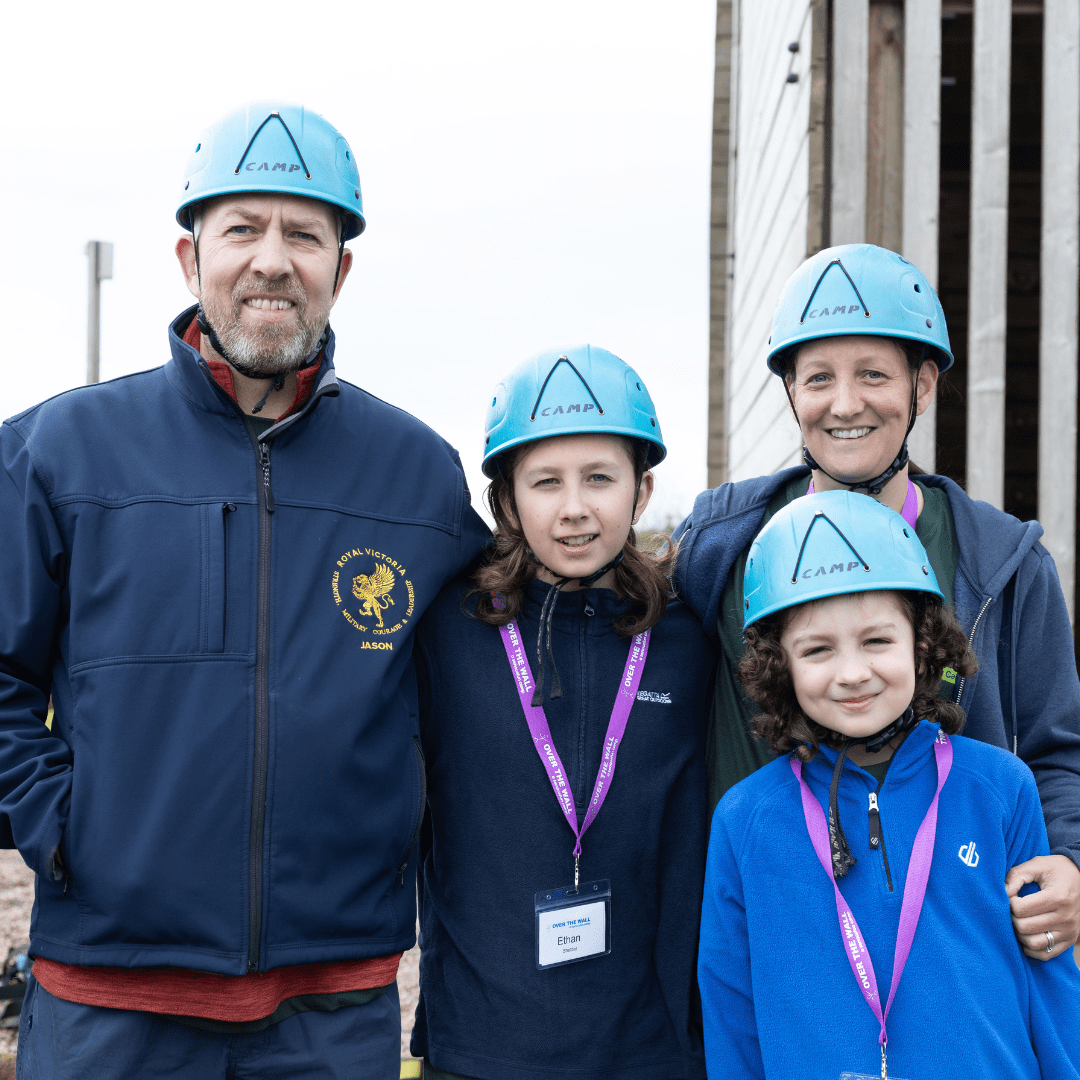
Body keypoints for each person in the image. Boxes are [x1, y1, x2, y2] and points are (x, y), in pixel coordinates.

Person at [0, 103, 489, 1078]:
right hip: (109, 997)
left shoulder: (417, 476)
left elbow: (478, 690)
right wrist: (64, 829)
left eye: (305, 234)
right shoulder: (59, 450)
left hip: (333, 1006)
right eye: (243, 229)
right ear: (190, 258)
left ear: (340, 271)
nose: (273, 259)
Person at [674, 243, 1080, 960]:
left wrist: (1070, 859)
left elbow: (1058, 750)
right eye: (819, 378)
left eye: (873, 375)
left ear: (923, 385)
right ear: (792, 391)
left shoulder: (1005, 565)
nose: (845, 403)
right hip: (769, 936)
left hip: (949, 944)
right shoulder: (720, 547)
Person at [698, 490, 1080, 1078]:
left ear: (923, 645)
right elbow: (731, 1011)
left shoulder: (1001, 787)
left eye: (877, 641)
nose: (853, 673)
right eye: (817, 649)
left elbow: (1052, 986)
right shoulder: (745, 819)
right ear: (781, 667)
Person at [409, 346, 714, 1080]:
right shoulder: (446, 630)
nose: (575, 508)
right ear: (507, 502)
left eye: (600, 479)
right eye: (546, 482)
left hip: (652, 1051)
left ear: (642, 493)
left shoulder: (687, 638)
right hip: (480, 1048)